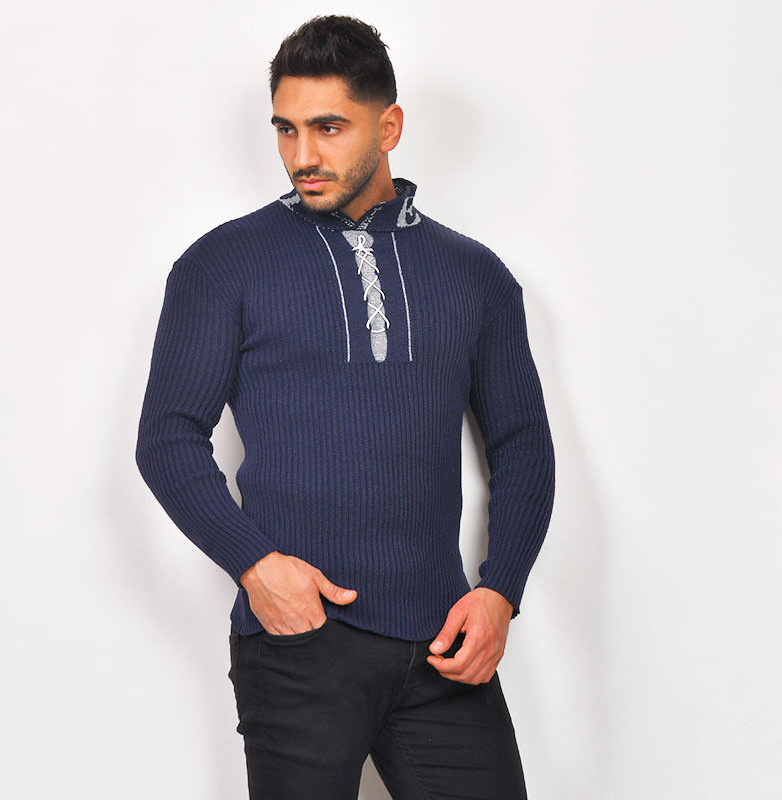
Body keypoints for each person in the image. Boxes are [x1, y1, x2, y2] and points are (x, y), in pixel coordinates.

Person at [135, 14, 555, 800]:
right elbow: (167, 437)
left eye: (328, 128)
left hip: (444, 641)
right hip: (299, 644)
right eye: (286, 129)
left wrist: (501, 592)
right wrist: (257, 567)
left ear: (388, 127)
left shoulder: (476, 276)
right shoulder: (223, 264)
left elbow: (523, 443)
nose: (303, 154)